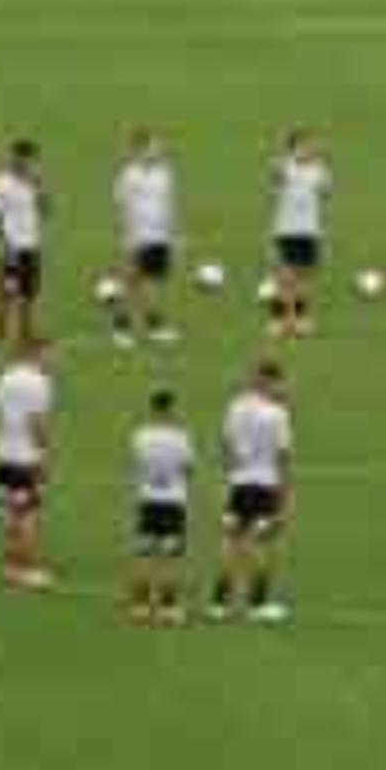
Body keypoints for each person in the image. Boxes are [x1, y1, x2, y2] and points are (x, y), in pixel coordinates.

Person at [209, 360, 296, 623]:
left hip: (238, 484)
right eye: (279, 382)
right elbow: (282, 457)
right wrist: (284, 496)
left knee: (231, 541)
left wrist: (228, 478)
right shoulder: (277, 414)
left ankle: (219, 604)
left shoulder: (235, 406)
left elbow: (225, 445)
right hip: (265, 485)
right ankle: (258, 603)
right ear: (269, 381)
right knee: (262, 544)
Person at [0, 339, 56, 590]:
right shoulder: (40, 383)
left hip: (2, 454)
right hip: (25, 458)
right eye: (49, 355)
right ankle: (26, 569)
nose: (51, 361)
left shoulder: (4, 378)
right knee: (28, 513)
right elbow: (36, 422)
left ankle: (11, 566)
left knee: (11, 512)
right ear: (35, 353)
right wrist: (45, 453)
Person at [126, 386, 196, 626]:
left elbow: (137, 465)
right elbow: (188, 470)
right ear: (172, 409)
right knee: (171, 556)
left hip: (147, 499)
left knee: (144, 553)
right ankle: (169, 608)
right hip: (173, 501)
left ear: (152, 409)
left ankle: (140, 607)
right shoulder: (181, 438)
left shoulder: (139, 436)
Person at [110, 129, 178, 347]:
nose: (157, 150)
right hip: (138, 236)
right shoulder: (129, 175)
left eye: (157, 146)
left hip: (160, 236)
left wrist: (172, 232)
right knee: (133, 281)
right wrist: (127, 235)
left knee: (154, 282)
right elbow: (120, 205)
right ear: (139, 150)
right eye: (152, 146)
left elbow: (168, 205)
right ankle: (122, 327)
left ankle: (153, 325)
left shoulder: (165, 174)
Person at [264, 129, 330, 341]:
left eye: (308, 146)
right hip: (286, 230)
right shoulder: (284, 168)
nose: (306, 150)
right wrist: (284, 162)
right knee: (285, 277)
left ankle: (300, 319)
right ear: (292, 149)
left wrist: (321, 168)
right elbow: (275, 178)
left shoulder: (318, 170)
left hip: (309, 230)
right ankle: (281, 320)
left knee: (303, 277)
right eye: (301, 146)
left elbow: (326, 192)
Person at [0, 141, 45, 356]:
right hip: (11, 249)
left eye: (33, 160)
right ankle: (0, 333)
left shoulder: (33, 183)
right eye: (28, 159)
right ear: (17, 158)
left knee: (29, 294)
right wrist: (4, 244)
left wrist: (39, 186)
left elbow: (46, 210)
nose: (31, 163)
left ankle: (26, 334)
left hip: (32, 246)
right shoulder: (0, 183)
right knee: (7, 294)